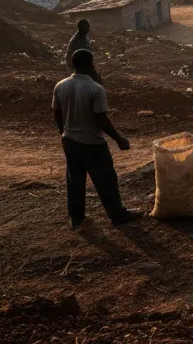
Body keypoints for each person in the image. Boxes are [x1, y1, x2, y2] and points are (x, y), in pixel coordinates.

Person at [52, 49, 139, 229]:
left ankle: (77, 218)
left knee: (75, 180)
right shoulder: (95, 89)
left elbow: (57, 112)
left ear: (73, 64)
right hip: (92, 142)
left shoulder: (60, 85)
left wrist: (63, 133)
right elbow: (101, 119)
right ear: (90, 64)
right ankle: (117, 214)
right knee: (105, 179)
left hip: (70, 140)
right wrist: (119, 139)